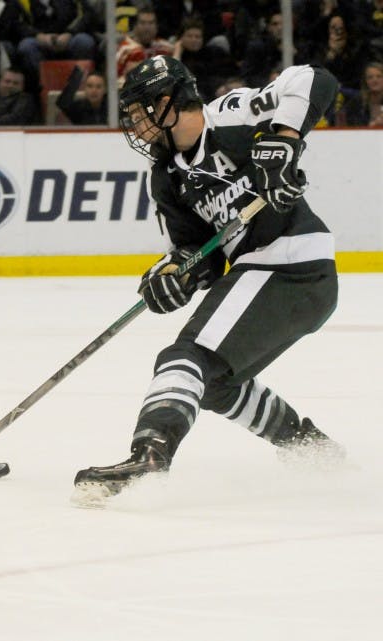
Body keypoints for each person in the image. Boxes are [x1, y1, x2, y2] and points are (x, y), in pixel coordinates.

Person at [72, 56, 345, 504]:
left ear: (166, 104)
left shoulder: (232, 114)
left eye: (141, 114)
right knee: (216, 384)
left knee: (186, 357)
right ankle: (309, 449)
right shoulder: (166, 179)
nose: (137, 128)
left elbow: (316, 78)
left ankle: (151, 451)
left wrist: (285, 141)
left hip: (292, 261)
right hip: (269, 274)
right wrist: (176, 275)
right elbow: (198, 252)